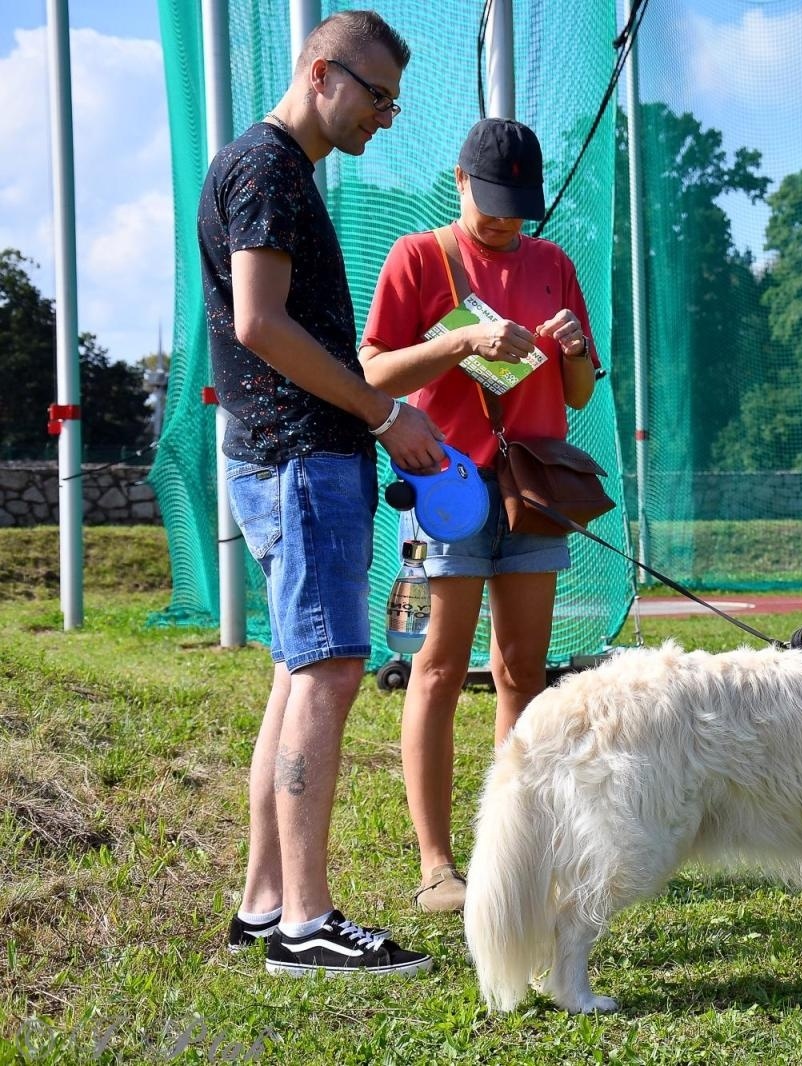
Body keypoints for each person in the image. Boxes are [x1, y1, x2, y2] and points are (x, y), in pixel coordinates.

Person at [199, 10, 442, 976]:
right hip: (301, 458)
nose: (386, 116)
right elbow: (260, 323)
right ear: (322, 72)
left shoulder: (280, 171)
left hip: (293, 456)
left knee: (299, 673)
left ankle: (266, 904)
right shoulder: (265, 168)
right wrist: (384, 416)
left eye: (393, 100)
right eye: (377, 95)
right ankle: (307, 921)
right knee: (332, 671)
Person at [360, 118, 599, 912]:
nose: (503, 221)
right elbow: (373, 369)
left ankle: (512, 853)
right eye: (491, 202)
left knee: (522, 674)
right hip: (447, 492)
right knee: (433, 671)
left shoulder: (554, 264)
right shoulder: (417, 257)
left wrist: (570, 351)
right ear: (459, 180)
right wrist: (459, 347)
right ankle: (436, 865)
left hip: (533, 491)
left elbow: (578, 395)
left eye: (517, 208)